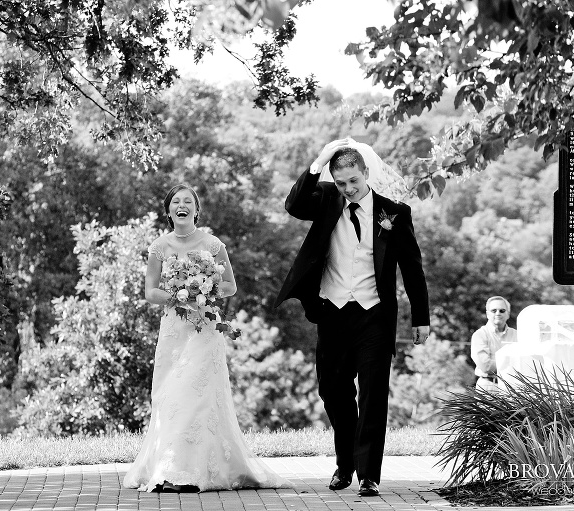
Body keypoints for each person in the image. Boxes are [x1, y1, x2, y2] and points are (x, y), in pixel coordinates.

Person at [274, 138, 430, 497]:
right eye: (341, 182)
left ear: (365, 174)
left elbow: (413, 269)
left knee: (373, 394)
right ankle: (345, 464)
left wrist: (420, 318)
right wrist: (317, 165)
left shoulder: (394, 213)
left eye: (353, 182)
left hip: (374, 315)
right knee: (332, 392)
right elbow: (294, 204)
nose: (348, 189)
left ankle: (368, 474)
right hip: (332, 312)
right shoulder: (327, 201)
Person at [123, 184, 291, 493]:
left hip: (205, 328)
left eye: (188, 201)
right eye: (176, 201)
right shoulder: (159, 247)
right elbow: (150, 292)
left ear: (197, 210)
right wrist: (178, 294)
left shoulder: (214, 244)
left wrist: (207, 290)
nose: (182, 205)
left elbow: (230, 286)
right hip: (174, 330)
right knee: (171, 395)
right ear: (169, 210)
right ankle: (170, 467)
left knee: (199, 396)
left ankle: (193, 472)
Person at [470, 296, 517, 390]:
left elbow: (526, 361)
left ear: (508, 314)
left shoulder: (517, 335)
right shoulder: (480, 335)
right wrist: (512, 365)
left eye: (502, 310)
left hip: (513, 387)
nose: (498, 313)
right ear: (487, 314)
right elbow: (486, 366)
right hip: (489, 387)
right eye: (494, 310)